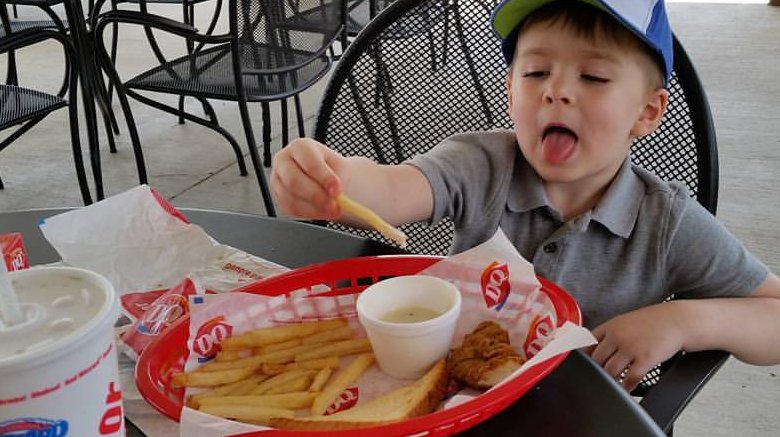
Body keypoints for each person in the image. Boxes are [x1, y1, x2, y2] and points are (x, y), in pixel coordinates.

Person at [269, 0, 780, 390]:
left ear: (647, 112)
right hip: (452, 399)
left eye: (594, 76)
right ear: (510, 87)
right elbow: (392, 190)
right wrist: (330, 180)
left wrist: (685, 319)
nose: (555, 90)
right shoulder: (481, 165)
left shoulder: (665, 222)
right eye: (535, 72)